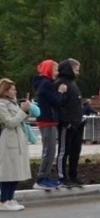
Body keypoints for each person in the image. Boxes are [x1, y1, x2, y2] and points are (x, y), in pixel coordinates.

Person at [33, 60, 66, 190]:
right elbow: (57, 101)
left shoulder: (46, 84)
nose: (57, 73)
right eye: (55, 70)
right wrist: (61, 92)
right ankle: (41, 179)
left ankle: (45, 177)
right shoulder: (46, 84)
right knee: (48, 151)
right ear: (48, 70)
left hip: (50, 120)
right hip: (47, 120)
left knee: (51, 151)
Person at [0, 79, 30, 211]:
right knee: (8, 172)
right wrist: (22, 111)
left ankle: (10, 198)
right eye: (12, 89)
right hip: (8, 141)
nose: (15, 91)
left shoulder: (12, 103)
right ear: (5, 91)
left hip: (18, 140)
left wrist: (25, 111)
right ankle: (4, 199)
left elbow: (21, 119)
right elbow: (10, 122)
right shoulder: (1, 104)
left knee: (16, 171)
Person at [55, 59, 85, 187]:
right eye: (76, 69)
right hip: (67, 124)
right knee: (64, 150)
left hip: (77, 123)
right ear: (69, 69)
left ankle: (73, 175)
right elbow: (59, 105)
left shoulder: (73, 84)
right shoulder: (60, 83)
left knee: (75, 150)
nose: (78, 72)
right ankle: (62, 177)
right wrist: (65, 121)